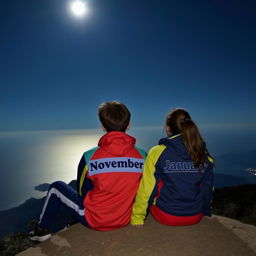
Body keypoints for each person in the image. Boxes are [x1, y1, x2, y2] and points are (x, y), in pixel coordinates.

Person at [29, 101, 146, 241]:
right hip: (127, 217)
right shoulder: (142, 155)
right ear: (129, 125)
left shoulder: (89, 157)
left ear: (102, 126)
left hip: (95, 220)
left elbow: (81, 193)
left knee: (56, 187)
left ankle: (41, 231)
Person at [131, 108, 214, 227]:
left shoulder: (157, 152)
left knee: (155, 181)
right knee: (197, 180)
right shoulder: (203, 153)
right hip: (195, 216)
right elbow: (208, 187)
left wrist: (137, 217)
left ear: (168, 128)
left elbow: (147, 189)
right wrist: (207, 211)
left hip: (167, 215)